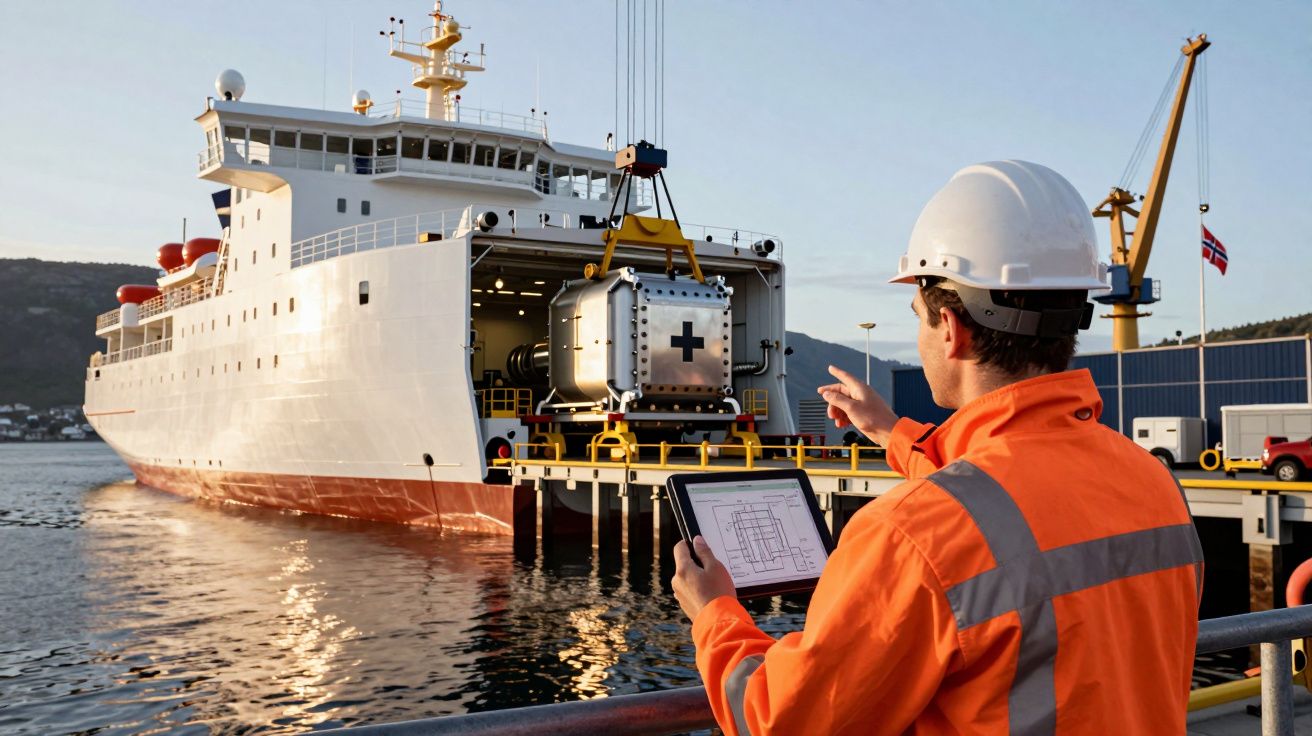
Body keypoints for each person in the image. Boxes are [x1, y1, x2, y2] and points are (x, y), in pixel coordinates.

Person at [671, 160, 1203, 735]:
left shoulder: (908, 533)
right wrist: (889, 431)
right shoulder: (1150, 479)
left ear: (951, 328)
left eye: (918, 318)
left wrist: (715, 614)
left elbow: (783, 719)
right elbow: (1008, 497)